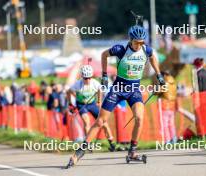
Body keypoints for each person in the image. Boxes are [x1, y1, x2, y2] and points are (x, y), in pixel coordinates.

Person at [66, 25, 165, 168]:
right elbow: (104, 55)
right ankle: (80, 152)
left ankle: (132, 151)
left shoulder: (145, 49)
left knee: (139, 117)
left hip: (134, 90)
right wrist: (105, 75)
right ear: (131, 40)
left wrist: (159, 74)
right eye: (137, 42)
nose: (139, 45)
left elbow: (153, 57)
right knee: (100, 121)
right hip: (118, 89)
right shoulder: (120, 50)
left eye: (142, 42)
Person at [67, 65, 115, 151]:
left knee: (103, 122)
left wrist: (99, 101)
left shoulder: (94, 82)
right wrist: (71, 102)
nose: (88, 80)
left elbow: (99, 90)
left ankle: (111, 142)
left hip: (92, 104)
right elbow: (68, 91)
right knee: (86, 122)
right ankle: (88, 143)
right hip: (82, 105)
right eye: (85, 78)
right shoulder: (78, 84)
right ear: (82, 77)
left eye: (89, 78)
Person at [156, 70, 178, 143]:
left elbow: (158, 91)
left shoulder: (164, 82)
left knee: (164, 124)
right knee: (171, 123)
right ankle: (174, 139)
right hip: (172, 104)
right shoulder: (174, 82)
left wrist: (155, 90)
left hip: (164, 104)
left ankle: (167, 140)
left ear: (164, 75)